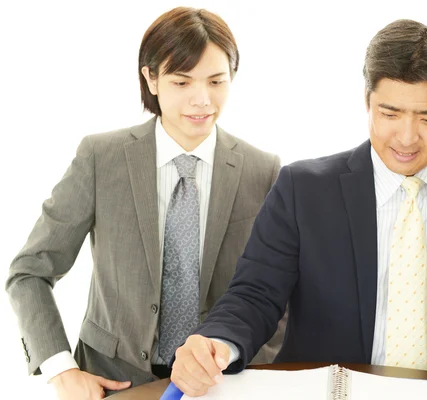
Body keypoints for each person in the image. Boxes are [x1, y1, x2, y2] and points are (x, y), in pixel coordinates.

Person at [168, 18, 427, 397]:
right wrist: (217, 344)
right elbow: (253, 296)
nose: (406, 138)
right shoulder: (303, 188)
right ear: (367, 102)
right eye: (389, 114)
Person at [5, 6, 286, 399]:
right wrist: (61, 369)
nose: (202, 100)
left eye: (216, 81)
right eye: (182, 82)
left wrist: (250, 370)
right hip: (112, 381)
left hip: (221, 385)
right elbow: (30, 272)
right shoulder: (101, 158)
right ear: (151, 78)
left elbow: (279, 294)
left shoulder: (264, 170)